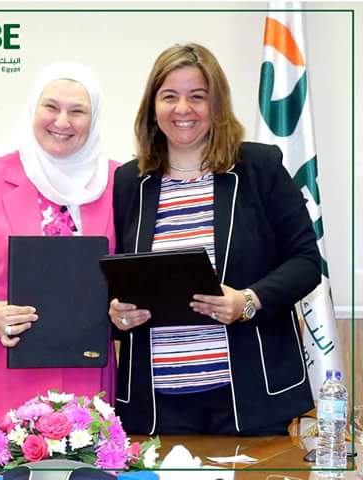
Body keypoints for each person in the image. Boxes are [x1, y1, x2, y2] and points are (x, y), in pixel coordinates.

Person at [109, 43, 321, 436]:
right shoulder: (129, 182)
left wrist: (248, 301)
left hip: (248, 395)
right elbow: (119, 276)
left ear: (217, 105)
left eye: (197, 96)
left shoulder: (259, 167)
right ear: (152, 107)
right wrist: (118, 315)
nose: (183, 109)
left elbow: (306, 261)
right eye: (169, 96)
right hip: (156, 401)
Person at [0, 63, 118, 433]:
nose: (62, 121)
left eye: (77, 111)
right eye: (51, 107)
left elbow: (130, 269)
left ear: (93, 118)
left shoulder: (118, 181)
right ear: (33, 108)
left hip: (84, 385)